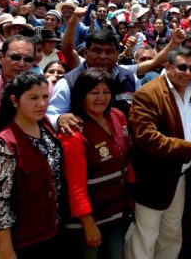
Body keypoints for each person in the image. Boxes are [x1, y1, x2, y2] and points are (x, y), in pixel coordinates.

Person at [125, 47, 191, 259]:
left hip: (180, 177)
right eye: (182, 67)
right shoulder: (148, 93)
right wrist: (190, 148)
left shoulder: (190, 92)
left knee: (171, 235)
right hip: (153, 179)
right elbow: (147, 137)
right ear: (167, 66)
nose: (187, 73)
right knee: (145, 237)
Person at [0, 72, 64, 259]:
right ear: (14, 100)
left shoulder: (44, 125)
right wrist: (6, 251)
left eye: (45, 97)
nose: (42, 103)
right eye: (33, 98)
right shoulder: (4, 145)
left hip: (55, 230)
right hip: (26, 241)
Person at [60, 69, 130, 259]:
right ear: (81, 95)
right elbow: (75, 186)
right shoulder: (74, 131)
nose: (101, 98)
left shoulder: (117, 116)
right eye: (94, 92)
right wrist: (88, 224)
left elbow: (127, 162)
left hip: (115, 214)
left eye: (106, 92)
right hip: (87, 221)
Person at [0, 35, 36, 112]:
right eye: (15, 57)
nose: (22, 64)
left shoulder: (44, 89)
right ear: (1, 58)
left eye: (28, 59)